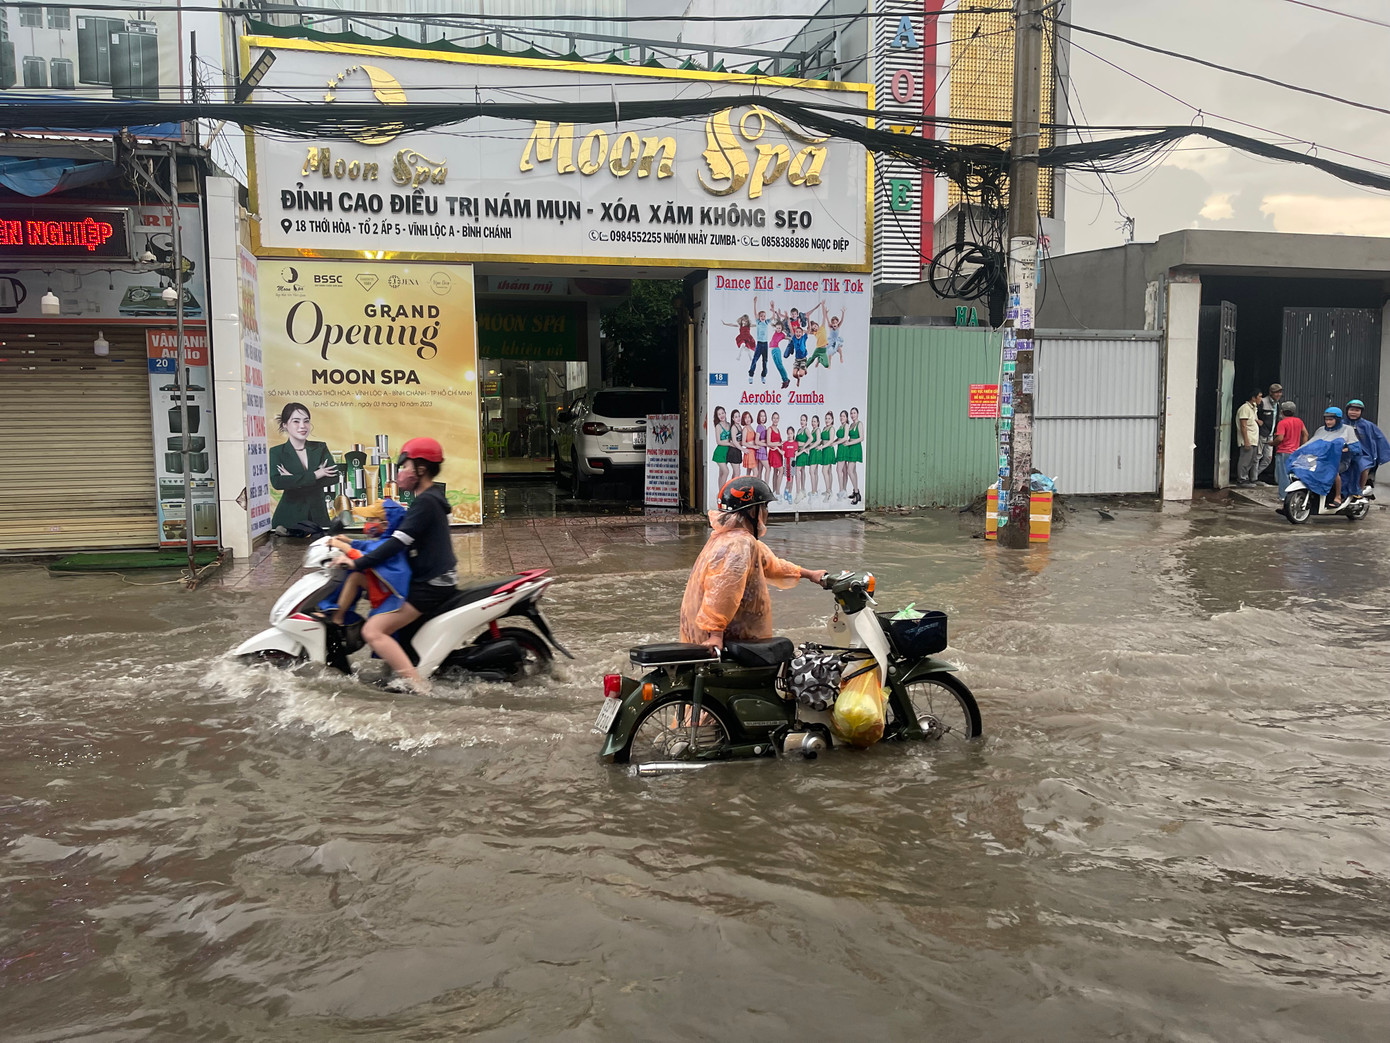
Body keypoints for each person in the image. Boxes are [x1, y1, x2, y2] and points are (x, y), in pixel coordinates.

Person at [329, 437, 456, 694]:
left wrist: (357, 562)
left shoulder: (426, 502)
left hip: (431, 585)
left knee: (372, 631)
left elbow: (397, 542)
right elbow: (389, 541)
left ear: (421, 469)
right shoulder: (427, 500)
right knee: (361, 580)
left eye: (405, 466)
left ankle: (419, 687)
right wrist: (354, 547)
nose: (400, 472)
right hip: (429, 579)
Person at [679, 476, 826, 648]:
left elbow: (772, 565)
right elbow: (723, 589)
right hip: (728, 641)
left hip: (719, 636)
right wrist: (716, 634)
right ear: (752, 511)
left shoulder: (732, 538)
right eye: (764, 506)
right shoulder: (739, 544)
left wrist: (810, 574)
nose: (766, 512)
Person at [268, 402, 338, 532]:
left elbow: (333, 477)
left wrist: (293, 480)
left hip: (318, 518)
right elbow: (277, 482)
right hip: (288, 520)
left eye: (306, 421)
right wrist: (316, 475)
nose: (302, 426)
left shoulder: (320, 448)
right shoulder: (277, 452)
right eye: (296, 421)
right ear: (285, 425)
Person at [1304, 407, 1366, 508]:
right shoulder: (1321, 430)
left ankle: (1338, 497)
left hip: (1341, 461)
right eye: (1326, 419)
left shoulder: (1347, 430)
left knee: (1333, 471)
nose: (1328, 422)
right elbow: (1313, 442)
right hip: (1323, 459)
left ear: (1337, 419)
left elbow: (1356, 447)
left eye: (1331, 419)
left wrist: (1345, 449)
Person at [1345, 398, 1390, 487]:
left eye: (1357, 410)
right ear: (1347, 410)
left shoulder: (1369, 426)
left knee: (1363, 467)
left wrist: (1382, 456)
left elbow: (1379, 439)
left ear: (1361, 412)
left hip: (1364, 455)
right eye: (1351, 410)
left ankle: (1360, 491)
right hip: (1344, 453)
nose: (1353, 412)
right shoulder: (1341, 424)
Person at [1272, 402, 1307, 501]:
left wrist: (1272, 443)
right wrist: (1302, 447)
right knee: (1292, 475)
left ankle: (1284, 496)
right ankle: (1293, 495)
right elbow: (1305, 434)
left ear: (1282, 412)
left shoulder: (1282, 423)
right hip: (1295, 452)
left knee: (1282, 475)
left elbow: (1280, 438)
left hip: (1283, 452)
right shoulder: (1299, 421)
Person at [1257, 383, 1283, 480]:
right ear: (1271, 393)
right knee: (1257, 456)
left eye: (1280, 392)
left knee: (1268, 458)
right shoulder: (1263, 402)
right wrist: (1256, 420)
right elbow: (1254, 413)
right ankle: (1252, 478)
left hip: (1271, 435)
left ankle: (1255, 475)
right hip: (1262, 434)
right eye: (1276, 392)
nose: (1279, 394)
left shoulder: (1278, 404)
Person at [1235, 389, 1262, 484]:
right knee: (1245, 460)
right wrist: (1246, 440)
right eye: (1259, 397)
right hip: (1248, 439)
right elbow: (1243, 425)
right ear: (1253, 398)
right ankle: (1242, 479)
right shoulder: (1245, 408)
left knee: (1251, 460)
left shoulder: (1253, 409)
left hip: (1254, 439)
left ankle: (1246, 478)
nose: (1261, 399)